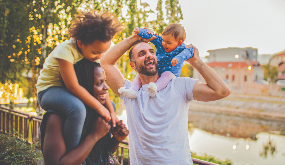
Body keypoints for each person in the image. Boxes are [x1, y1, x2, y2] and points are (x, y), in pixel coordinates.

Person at [100, 33, 231, 164]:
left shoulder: (178, 85)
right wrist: (136, 37)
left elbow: (222, 91)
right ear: (133, 65)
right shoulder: (130, 93)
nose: (149, 55)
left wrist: (195, 60)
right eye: (142, 54)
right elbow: (106, 63)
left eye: (152, 52)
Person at [37, 10, 123, 152]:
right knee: (77, 108)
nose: (99, 57)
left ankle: (103, 151)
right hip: (49, 91)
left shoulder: (91, 53)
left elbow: (101, 86)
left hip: (66, 90)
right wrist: (99, 107)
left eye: (103, 52)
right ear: (80, 43)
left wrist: (111, 112)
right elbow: (73, 87)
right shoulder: (65, 51)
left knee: (111, 106)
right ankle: (74, 152)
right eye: (96, 52)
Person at [41, 59, 129, 165]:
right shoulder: (56, 118)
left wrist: (116, 139)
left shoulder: (101, 113)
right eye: (99, 83)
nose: (106, 88)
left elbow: (100, 155)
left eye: (104, 81)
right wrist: (94, 136)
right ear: (82, 87)